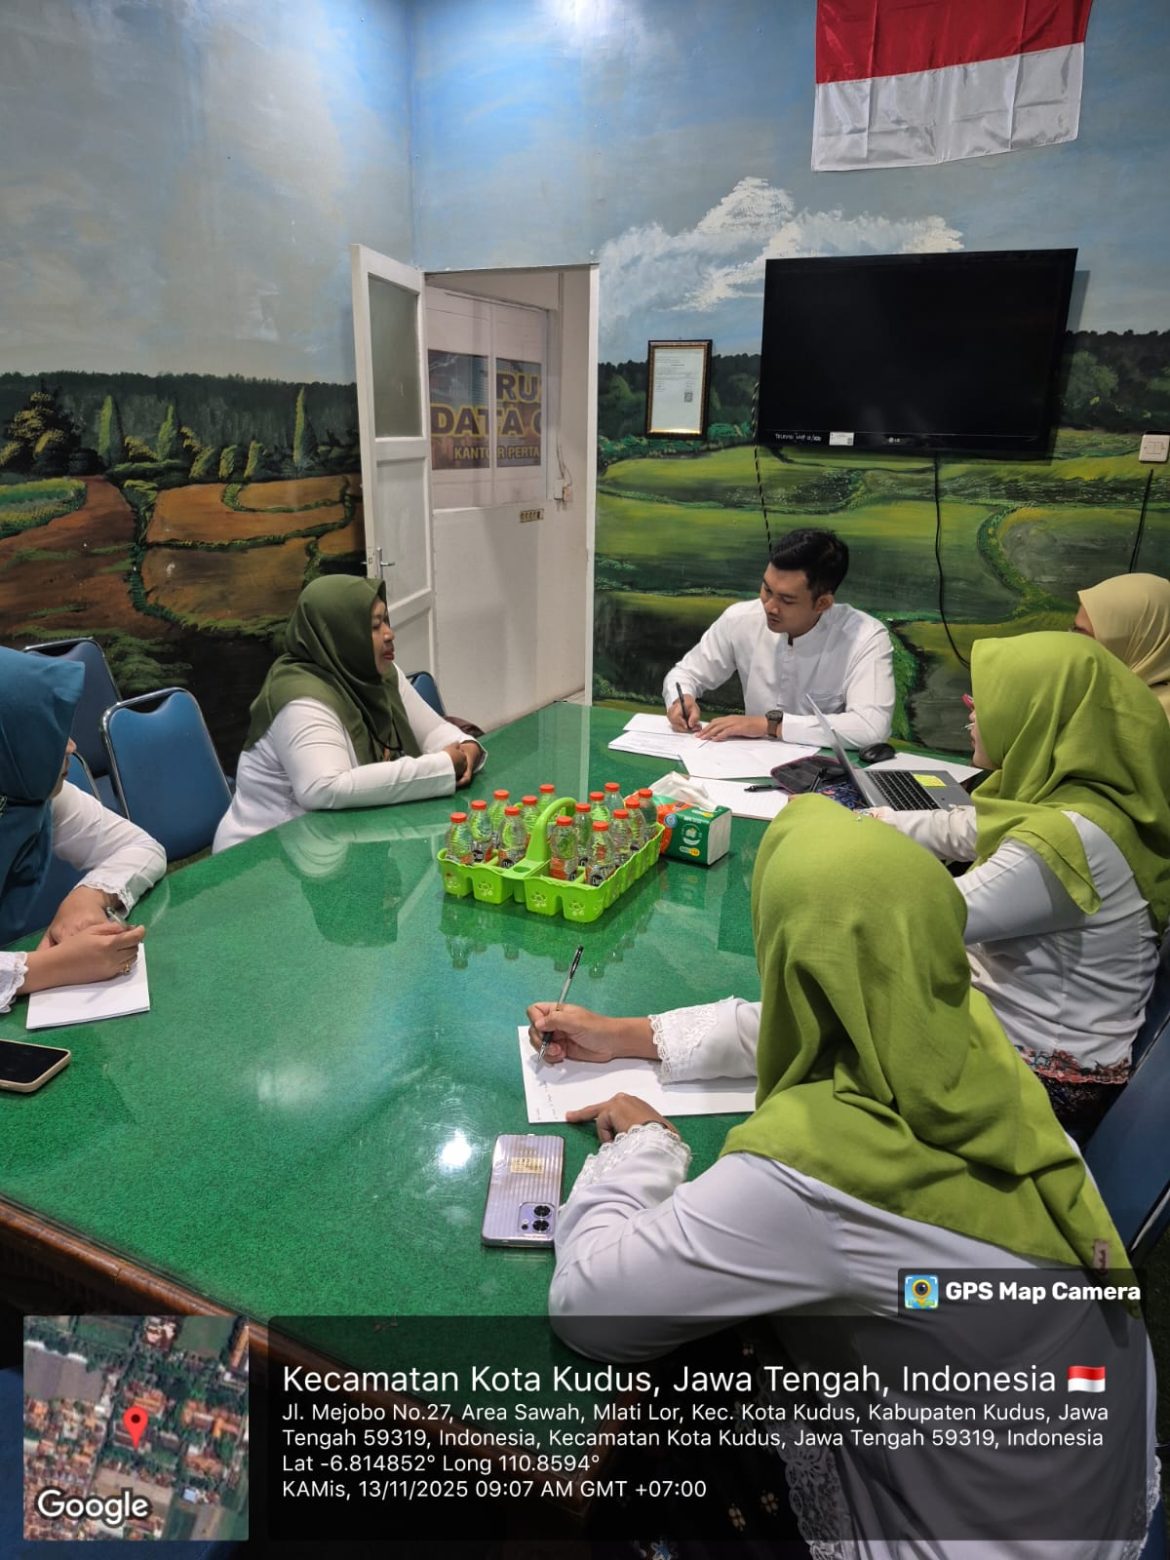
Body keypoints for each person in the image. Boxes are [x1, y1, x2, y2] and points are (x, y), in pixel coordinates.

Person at [541, 798, 1155, 1556]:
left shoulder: (817, 1168)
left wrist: (646, 1148)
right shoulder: (966, 1044)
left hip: (983, 1534)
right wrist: (629, 1035)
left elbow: (590, 1309)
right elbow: (820, 1007)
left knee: (674, 1414)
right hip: (1074, 1476)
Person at [213, 576, 485, 852]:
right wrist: (440, 767)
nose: (389, 634)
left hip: (332, 845)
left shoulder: (374, 673)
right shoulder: (300, 697)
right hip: (265, 855)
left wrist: (465, 747)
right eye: (375, 626)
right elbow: (325, 788)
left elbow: (432, 730)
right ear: (340, 634)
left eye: (386, 621)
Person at [1, 648, 159, 1014]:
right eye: (49, 733)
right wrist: (46, 969)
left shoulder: (32, 796)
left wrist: (88, 897)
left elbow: (141, 847)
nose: (71, 746)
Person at [662, 527, 894, 747]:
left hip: (824, 769)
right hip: (747, 760)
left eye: (786, 600)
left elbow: (870, 727)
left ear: (822, 603)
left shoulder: (865, 637)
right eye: (767, 590)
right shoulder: (740, 619)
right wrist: (681, 700)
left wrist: (769, 725)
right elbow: (685, 674)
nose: (769, 607)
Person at [1074, 572, 1170, 720]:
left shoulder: (1151, 722)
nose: (1071, 641)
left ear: (1139, 644)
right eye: (1073, 629)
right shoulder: (1112, 695)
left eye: (1083, 634)